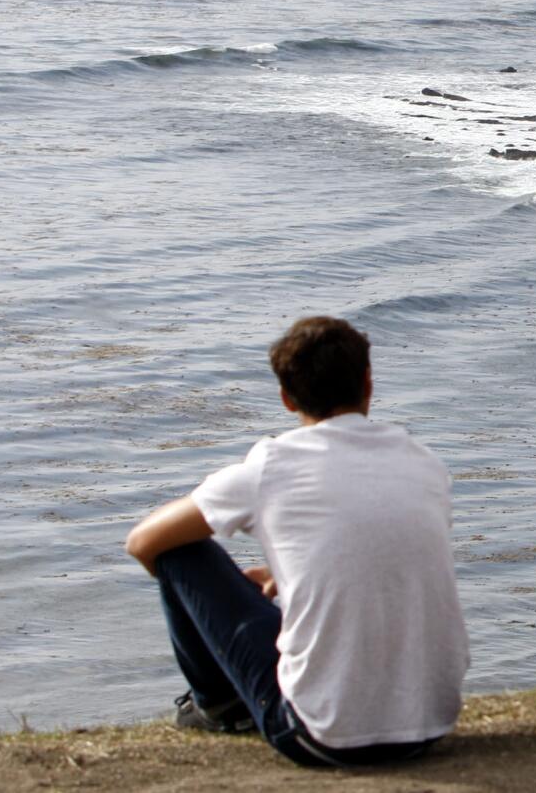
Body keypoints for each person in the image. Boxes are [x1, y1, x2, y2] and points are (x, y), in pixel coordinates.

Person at [123, 317, 468, 768]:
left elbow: (143, 542)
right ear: (368, 382)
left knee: (180, 552)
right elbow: (379, 553)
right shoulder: (424, 463)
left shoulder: (272, 465)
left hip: (320, 735)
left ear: (286, 398)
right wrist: (293, 577)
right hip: (428, 724)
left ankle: (218, 705)